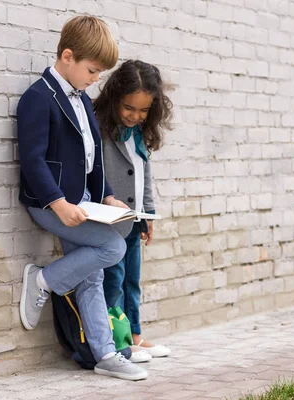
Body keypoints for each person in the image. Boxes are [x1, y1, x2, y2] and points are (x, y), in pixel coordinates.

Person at [16, 16, 148, 381]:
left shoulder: (83, 100)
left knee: (92, 274)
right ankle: (44, 281)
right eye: (92, 70)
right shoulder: (38, 98)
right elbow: (32, 160)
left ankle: (104, 354)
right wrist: (57, 202)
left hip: (84, 199)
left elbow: (93, 157)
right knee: (113, 248)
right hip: (49, 204)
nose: (95, 79)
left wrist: (106, 195)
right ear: (68, 57)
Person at [94, 60, 173, 358]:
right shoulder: (101, 128)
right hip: (110, 221)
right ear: (115, 97)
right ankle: (118, 342)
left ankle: (135, 335)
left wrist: (148, 213)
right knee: (112, 282)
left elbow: (143, 173)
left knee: (131, 281)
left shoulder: (139, 132)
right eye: (129, 108)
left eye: (143, 111)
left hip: (134, 218)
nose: (135, 116)